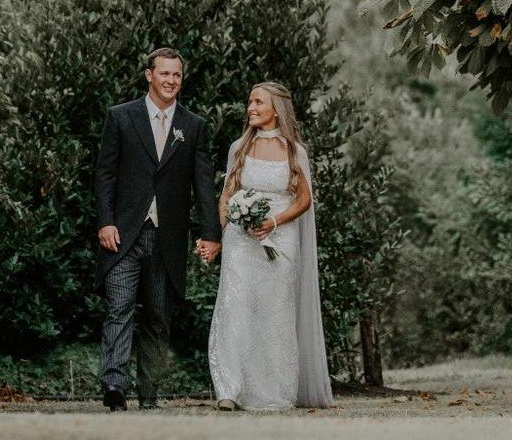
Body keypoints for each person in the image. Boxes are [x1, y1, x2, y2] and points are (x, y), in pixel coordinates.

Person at [95, 47, 222, 411]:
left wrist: (211, 233)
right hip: (123, 234)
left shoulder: (193, 126)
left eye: (176, 75)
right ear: (149, 75)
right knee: (119, 308)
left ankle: (149, 394)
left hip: (168, 237)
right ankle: (115, 386)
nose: (171, 80)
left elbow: (203, 183)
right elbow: (105, 174)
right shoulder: (120, 116)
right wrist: (105, 221)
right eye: (164, 73)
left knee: (158, 317)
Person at [206, 81, 333, 411]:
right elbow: (226, 195)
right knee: (235, 308)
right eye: (250, 102)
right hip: (240, 241)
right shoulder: (239, 148)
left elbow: (304, 200)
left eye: (258, 102)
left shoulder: (294, 152)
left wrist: (274, 221)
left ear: (276, 109)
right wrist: (218, 237)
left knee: (274, 313)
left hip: (280, 238)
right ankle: (229, 390)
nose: (251, 108)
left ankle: (270, 391)